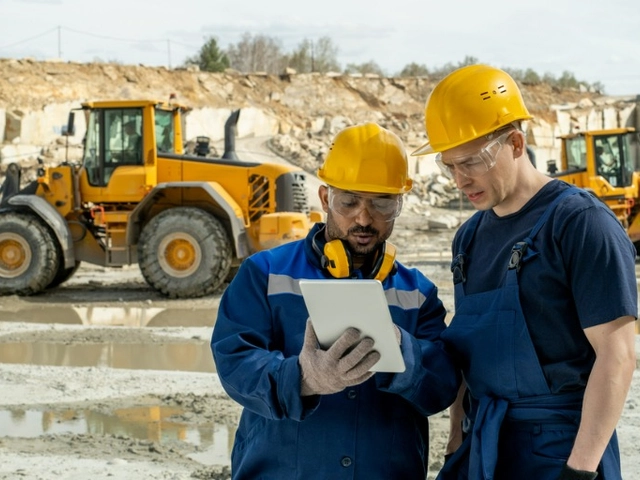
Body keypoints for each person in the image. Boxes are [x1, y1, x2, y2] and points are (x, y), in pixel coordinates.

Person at [412, 64, 637, 480]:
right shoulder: (468, 237)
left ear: (516, 143)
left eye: (471, 162)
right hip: (486, 446)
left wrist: (580, 471)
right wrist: (456, 443)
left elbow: (618, 355)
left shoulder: (580, 223)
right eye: (449, 166)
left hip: (561, 450)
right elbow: (468, 358)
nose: (459, 180)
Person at [211, 122, 460, 479]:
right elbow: (234, 362)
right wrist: (301, 379)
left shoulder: (417, 293)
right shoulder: (265, 273)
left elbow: (441, 389)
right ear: (326, 198)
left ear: (400, 204)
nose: (364, 217)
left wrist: (405, 353)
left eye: (381, 203)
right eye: (349, 201)